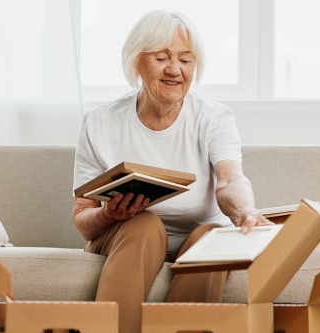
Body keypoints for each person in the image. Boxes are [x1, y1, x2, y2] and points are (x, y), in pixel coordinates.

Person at [71, 10, 273, 333]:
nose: (175, 70)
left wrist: (244, 210)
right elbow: (82, 219)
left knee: (213, 238)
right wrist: (110, 213)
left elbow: (230, 179)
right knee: (145, 225)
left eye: (186, 60)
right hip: (125, 234)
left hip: (197, 237)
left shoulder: (213, 118)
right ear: (137, 62)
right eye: (162, 58)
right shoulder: (100, 122)